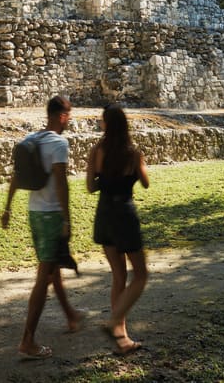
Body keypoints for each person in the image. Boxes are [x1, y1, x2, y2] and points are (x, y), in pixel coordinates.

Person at [1, 94, 84, 360]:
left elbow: (16, 177)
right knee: (43, 277)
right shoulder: (59, 144)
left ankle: (71, 316)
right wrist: (67, 219)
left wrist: (8, 208)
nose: (69, 120)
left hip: (33, 213)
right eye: (69, 116)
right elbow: (61, 183)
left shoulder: (33, 139)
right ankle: (28, 340)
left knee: (51, 267)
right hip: (50, 216)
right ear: (62, 116)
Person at [87, 103, 149, 355]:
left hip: (104, 215)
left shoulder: (97, 150)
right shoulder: (133, 152)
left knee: (119, 276)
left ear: (107, 124)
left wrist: (105, 179)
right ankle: (115, 323)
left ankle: (121, 338)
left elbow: (91, 186)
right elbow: (145, 183)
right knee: (141, 275)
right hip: (125, 214)